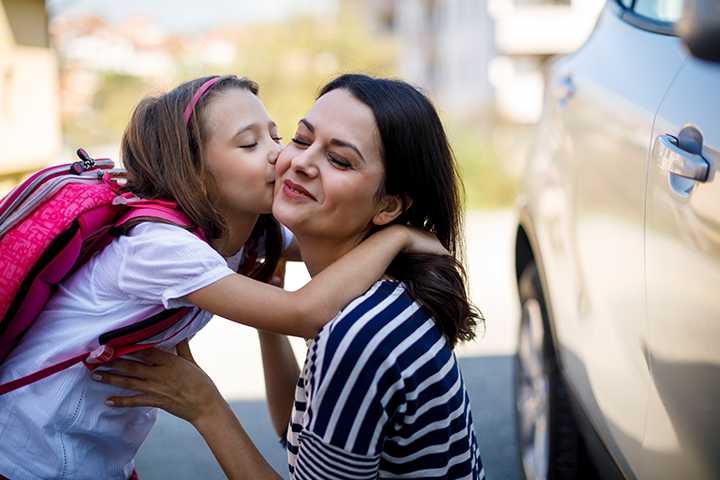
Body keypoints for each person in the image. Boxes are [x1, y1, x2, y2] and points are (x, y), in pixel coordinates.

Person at [0, 75, 446, 480]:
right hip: (32, 451)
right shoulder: (161, 247)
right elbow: (303, 312)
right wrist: (396, 238)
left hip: (92, 450)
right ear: (194, 173)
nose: (280, 155)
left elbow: (327, 240)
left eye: (276, 135)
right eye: (249, 145)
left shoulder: (246, 228)